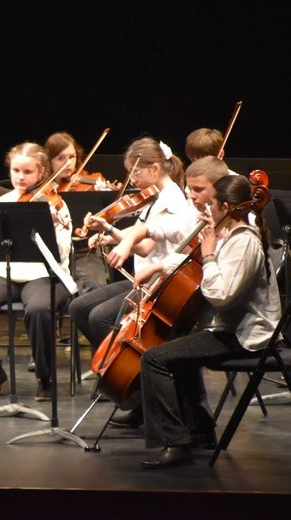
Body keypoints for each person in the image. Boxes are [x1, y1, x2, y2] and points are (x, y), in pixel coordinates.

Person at [138, 173, 280, 468]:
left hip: (246, 337)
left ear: (226, 207)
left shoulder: (244, 242)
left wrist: (210, 254)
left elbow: (221, 296)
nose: (206, 209)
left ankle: (175, 442)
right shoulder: (232, 237)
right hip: (231, 329)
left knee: (154, 359)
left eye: (211, 204)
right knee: (177, 348)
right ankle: (200, 433)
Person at [69, 137, 198, 426]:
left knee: (101, 317)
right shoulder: (154, 196)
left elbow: (145, 246)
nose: (132, 180)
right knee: (79, 308)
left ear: (154, 169)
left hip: (158, 285)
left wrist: (120, 239)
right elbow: (141, 240)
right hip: (141, 280)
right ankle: (124, 381)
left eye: (135, 173)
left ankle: (136, 391)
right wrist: (110, 232)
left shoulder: (172, 200)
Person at [0, 141, 74, 402]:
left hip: (43, 275)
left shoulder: (55, 205)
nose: (20, 177)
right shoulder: (1, 202)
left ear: (42, 172)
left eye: (28, 172)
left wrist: (52, 228)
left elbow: (63, 252)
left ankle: (45, 376)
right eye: (16, 171)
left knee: (39, 308)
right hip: (4, 273)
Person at [44, 131, 110, 294]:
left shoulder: (89, 184)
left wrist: (104, 196)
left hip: (84, 250)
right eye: (61, 158)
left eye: (72, 157)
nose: (68, 163)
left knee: (96, 287)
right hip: (51, 254)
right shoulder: (42, 189)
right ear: (48, 160)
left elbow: (106, 221)